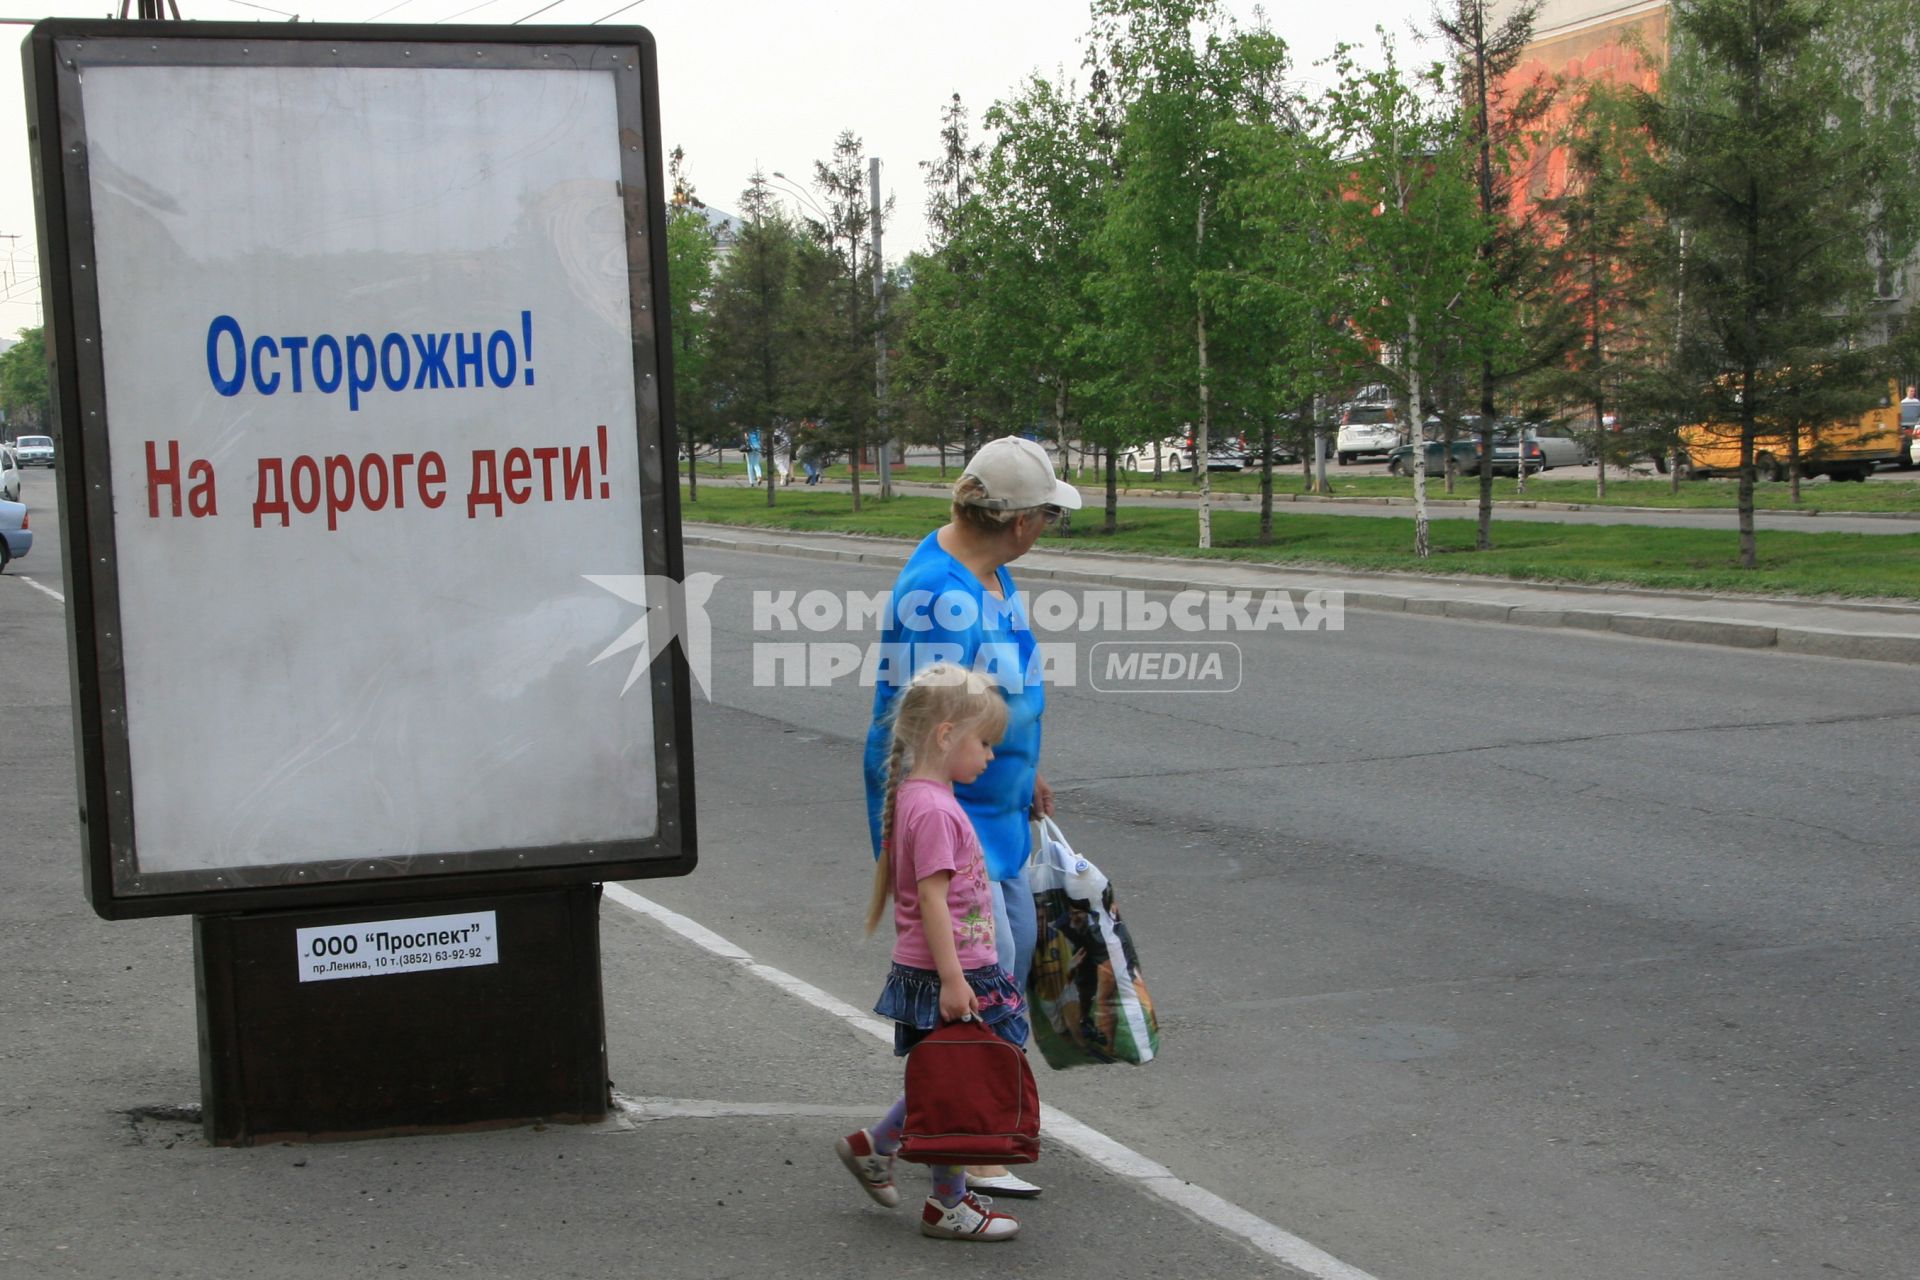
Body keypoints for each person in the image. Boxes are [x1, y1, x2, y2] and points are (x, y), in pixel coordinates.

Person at [861, 436, 1080, 1200]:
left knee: (1002, 974)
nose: (1047, 527)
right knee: (980, 981)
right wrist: (941, 820)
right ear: (1020, 521)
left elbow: (988, 706)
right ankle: (965, 1141)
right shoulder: (941, 594)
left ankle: (893, 1139)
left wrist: (1023, 766)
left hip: (995, 804)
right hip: (957, 821)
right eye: (1048, 513)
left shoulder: (989, 575)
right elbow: (934, 726)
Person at [838, 663, 1027, 1241]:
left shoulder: (925, 797)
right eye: (985, 743)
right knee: (958, 1086)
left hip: (948, 969)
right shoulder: (936, 809)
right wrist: (953, 979)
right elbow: (933, 899)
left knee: (949, 1080)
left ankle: (877, 1146)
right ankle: (947, 1204)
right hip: (951, 972)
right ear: (946, 736)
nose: (991, 757)